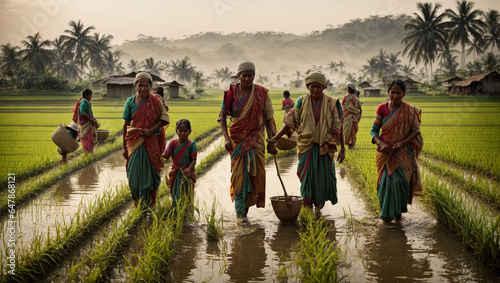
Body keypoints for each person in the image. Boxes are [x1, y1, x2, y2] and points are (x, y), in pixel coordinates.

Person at [270, 72, 345, 216]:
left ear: (324, 87)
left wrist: (342, 150)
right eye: (312, 86)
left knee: (323, 178)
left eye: (318, 86)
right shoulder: (301, 101)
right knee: (305, 176)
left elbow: (339, 127)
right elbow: (289, 122)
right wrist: (275, 138)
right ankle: (307, 207)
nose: (315, 90)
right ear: (307, 86)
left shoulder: (332, 103)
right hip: (306, 146)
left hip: (324, 146)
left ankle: (318, 207)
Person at [217, 60, 277, 224]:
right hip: (237, 142)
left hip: (256, 141)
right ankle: (240, 213)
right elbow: (222, 117)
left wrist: (272, 140)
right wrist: (226, 138)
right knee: (238, 176)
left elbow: (269, 119)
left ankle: (244, 210)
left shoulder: (261, 93)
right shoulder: (230, 93)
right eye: (244, 75)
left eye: (250, 75)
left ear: (254, 76)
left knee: (253, 176)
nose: (247, 79)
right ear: (238, 76)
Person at [370, 79, 423, 223]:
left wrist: (402, 143)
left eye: (398, 92)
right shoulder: (382, 108)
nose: (395, 95)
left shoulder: (410, 110)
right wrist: (381, 143)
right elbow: (374, 131)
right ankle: (386, 217)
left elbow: (416, 131)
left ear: (403, 94)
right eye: (392, 92)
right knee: (385, 185)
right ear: (388, 93)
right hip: (385, 154)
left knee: (400, 183)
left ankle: (398, 214)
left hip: (402, 154)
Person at [122, 72, 170, 207]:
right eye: (140, 85)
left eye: (146, 85)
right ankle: (138, 204)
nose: (143, 88)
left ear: (151, 86)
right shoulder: (130, 102)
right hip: (134, 142)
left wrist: (151, 130)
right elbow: (125, 124)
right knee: (133, 176)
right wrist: (124, 147)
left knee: (152, 173)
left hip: (151, 141)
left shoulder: (156, 101)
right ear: (135, 85)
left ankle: (148, 205)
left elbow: (164, 119)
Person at [163, 119, 197, 212]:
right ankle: (176, 212)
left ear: (189, 131)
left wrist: (189, 169)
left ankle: (186, 215)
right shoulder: (173, 143)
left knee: (187, 195)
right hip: (175, 173)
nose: (183, 133)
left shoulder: (192, 144)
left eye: (185, 131)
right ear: (176, 131)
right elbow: (166, 155)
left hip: (186, 174)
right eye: (180, 131)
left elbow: (194, 160)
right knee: (175, 194)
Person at [72, 89, 99, 153]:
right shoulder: (84, 102)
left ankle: (90, 153)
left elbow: (90, 113)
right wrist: (92, 120)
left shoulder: (87, 102)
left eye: (91, 95)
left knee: (90, 139)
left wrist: (94, 120)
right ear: (86, 95)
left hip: (89, 123)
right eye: (90, 95)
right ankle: (87, 152)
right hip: (85, 124)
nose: (91, 96)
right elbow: (82, 113)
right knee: (87, 139)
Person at [342, 82, 362, 150]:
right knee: (353, 131)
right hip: (354, 118)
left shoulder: (345, 97)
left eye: (347, 88)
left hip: (347, 117)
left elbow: (343, 107)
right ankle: (352, 145)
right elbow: (360, 109)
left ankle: (349, 144)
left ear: (349, 89)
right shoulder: (357, 98)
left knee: (347, 131)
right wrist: (359, 117)